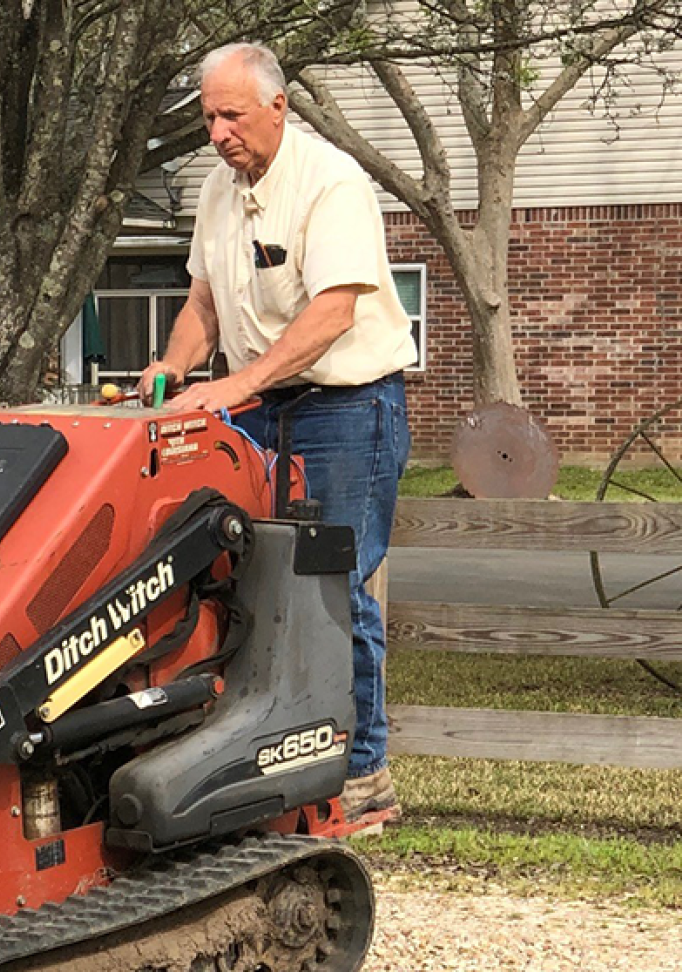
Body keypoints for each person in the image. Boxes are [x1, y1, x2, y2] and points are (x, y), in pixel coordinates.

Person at [138, 41, 416, 820]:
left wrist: (236, 384)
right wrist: (172, 366)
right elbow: (203, 306)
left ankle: (362, 778)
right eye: (208, 118)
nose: (217, 132)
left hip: (346, 407)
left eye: (231, 115)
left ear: (277, 107)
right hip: (262, 407)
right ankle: (278, 760)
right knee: (250, 583)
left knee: (335, 589)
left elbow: (335, 311)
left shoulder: (331, 181)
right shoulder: (217, 191)